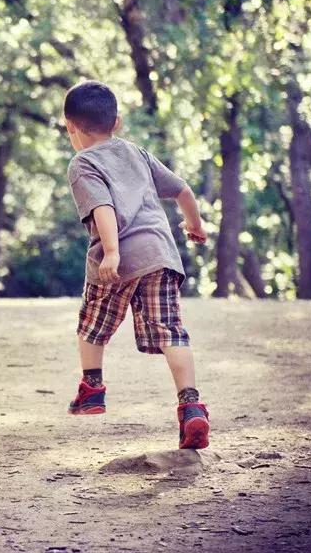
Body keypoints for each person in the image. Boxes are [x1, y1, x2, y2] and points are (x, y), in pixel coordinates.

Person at [63, 80, 210, 449]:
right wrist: (194, 225)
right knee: (171, 331)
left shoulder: (82, 163)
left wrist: (112, 253)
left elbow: (103, 208)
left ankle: (92, 389)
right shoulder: (137, 153)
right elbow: (182, 190)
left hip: (117, 260)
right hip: (160, 255)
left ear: (70, 128)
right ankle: (191, 406)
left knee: (92, 325)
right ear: (118, 123)